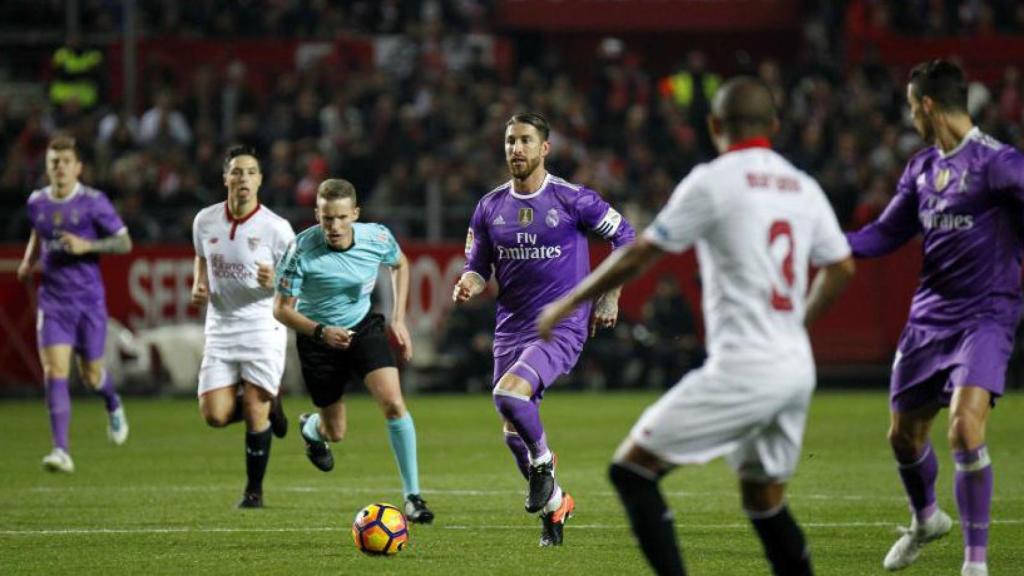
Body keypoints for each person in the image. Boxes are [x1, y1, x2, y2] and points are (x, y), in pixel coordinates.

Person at [538, 77, 855, 575]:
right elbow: (841, 266)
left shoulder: (714, 181)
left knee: (632, 471)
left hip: (745, 368)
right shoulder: (802, 186)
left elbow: (642, 250)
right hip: (795, 367)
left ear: (713, 126)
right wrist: (798, 324)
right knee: (764, 500)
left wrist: (569, 302)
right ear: (774, 125)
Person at [845, 59, 1024, 576]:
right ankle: (926, 519)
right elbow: (884, 234)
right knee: (903, 436)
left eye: (910, 108)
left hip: (985, 316)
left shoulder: (1001, 164)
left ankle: (975, 565)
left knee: (965, 431)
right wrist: (826, 243)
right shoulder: (922, 168)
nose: (910, 119)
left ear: (926, 105)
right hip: (928, 318)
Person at [452, 112, 636, 546]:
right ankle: (555, 506)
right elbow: (478, 268)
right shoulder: (489, 207)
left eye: (525, 141)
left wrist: (610, 295)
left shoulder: (574, 200)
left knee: (509, 394)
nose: (516, 149)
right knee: (512, 427)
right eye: (510, 141)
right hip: (510, 327)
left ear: (544, 149)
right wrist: (468, 283)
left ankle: (544, 464)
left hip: (561, 324)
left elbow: (626, 236)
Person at [273, 178, 434, 524]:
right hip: (318, 338)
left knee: (393, 402)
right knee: (336, 432)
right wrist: (320, 331)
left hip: (363, 327)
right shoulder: (299, 250)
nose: (334, 226)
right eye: (327, 218)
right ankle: (312, 429)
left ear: (355, 214)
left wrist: (398, 318)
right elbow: (281, 309)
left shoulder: (376, 237)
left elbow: (400, 264)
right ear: (317, 214)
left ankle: (413, 497)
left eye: (342, 217)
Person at [17, 135, 133, 473]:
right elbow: (38, 233)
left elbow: (124, 243)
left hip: (88, 302)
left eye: (66, 162)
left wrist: (87, 246)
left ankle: (112, 402)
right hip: (52, 302)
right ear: (47, 167)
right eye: (54, 162)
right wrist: (28, 261)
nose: (59, 168)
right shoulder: (36, 202)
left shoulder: (94, 202)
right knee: (54, 371)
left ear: (78, 167)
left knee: (92, 376)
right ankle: (61, 450)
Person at [190, 145, 294, 508]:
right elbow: (201, 258)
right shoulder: (205, 220)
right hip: (220, 324)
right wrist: (198, 282)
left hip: (263, 324)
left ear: (260, 180)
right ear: (225, 179)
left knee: (252, 409)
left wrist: (276, 280)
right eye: (236, 172)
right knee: (215, 415)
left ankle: (254, 491)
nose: (243, 178)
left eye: (250, 172)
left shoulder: (277, 228)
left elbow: (298, 280)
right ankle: (273, 406)